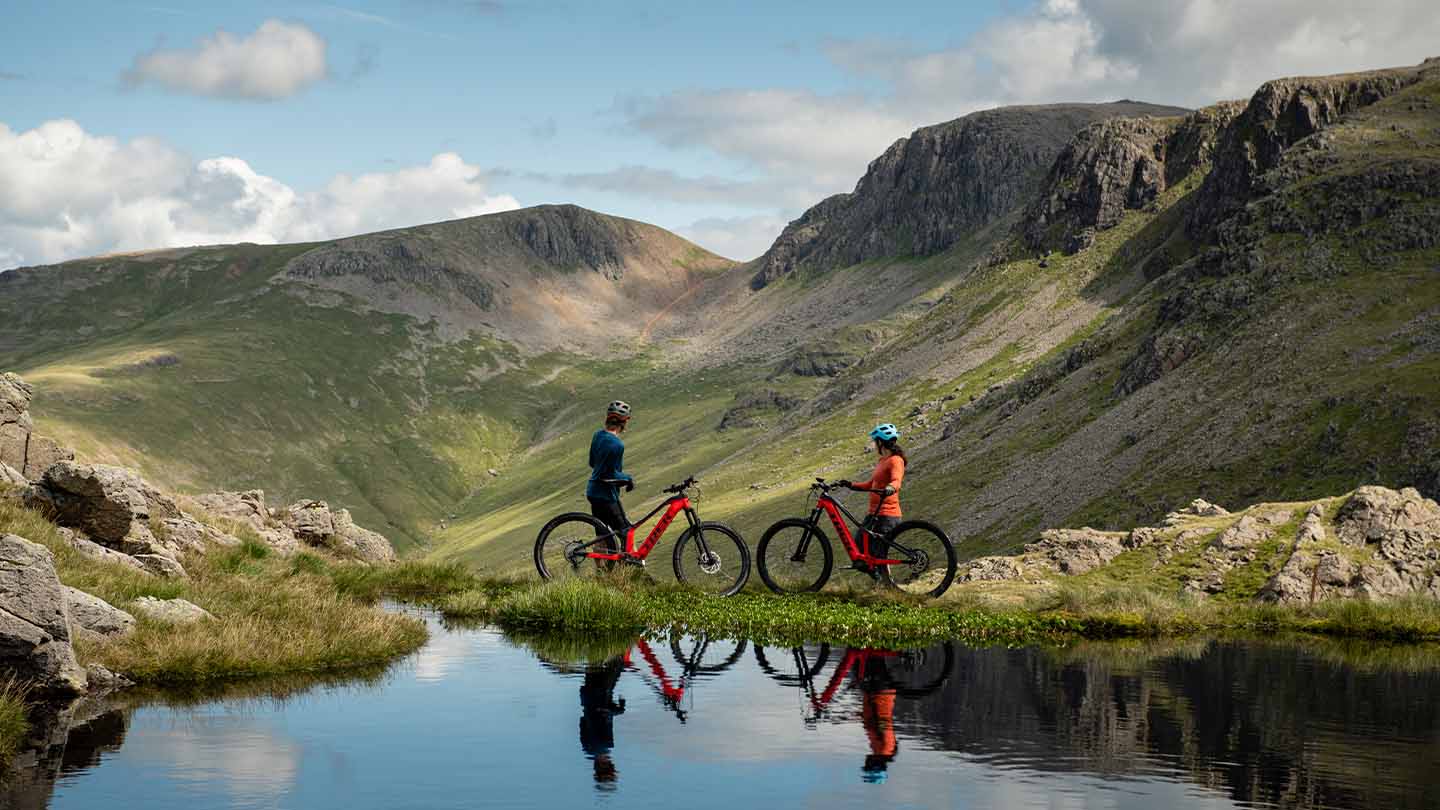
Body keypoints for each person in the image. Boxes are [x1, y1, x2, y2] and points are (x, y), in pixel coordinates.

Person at [838, 423, 906, 558]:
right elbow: (871, 484)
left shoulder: (896, 460)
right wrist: (850, 484)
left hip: (887, 515)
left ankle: (884, 578)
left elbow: (896, 480)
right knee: (859, 548)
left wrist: (890, 488)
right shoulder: (882, 461)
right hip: (874, 514)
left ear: (880, 442)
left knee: (878, 552)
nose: (875, 445)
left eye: (875, 442)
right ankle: (878, 576)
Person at [587, 401, 635, 548]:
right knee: (627, 532)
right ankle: (633, 569)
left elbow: (592, 462)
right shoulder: (617, 445)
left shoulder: (598, 436)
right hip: (606, 495)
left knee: (601, 534)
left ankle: (601, 570)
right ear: (624, 422)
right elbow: (609, 475)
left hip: (593, 491)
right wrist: (627, 479)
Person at [578, 655, 627, 789]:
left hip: (602, 693)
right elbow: (582, 722)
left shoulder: (606, 745)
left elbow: (605, 714)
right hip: (587, 697)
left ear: (607, 766)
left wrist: (619, 710)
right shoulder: (586, 748)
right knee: (594, 659)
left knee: (619, 661)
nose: (613, 764)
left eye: (612, 767)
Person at [857, 653, 898, 784]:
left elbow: (873, 724)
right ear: (875, 765)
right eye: (867, 766)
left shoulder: (880, 750)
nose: (866, 762)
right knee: (862, 659)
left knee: (869, 658)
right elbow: (882, 723)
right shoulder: (885, 748)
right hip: (879, 692)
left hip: (877, 693)